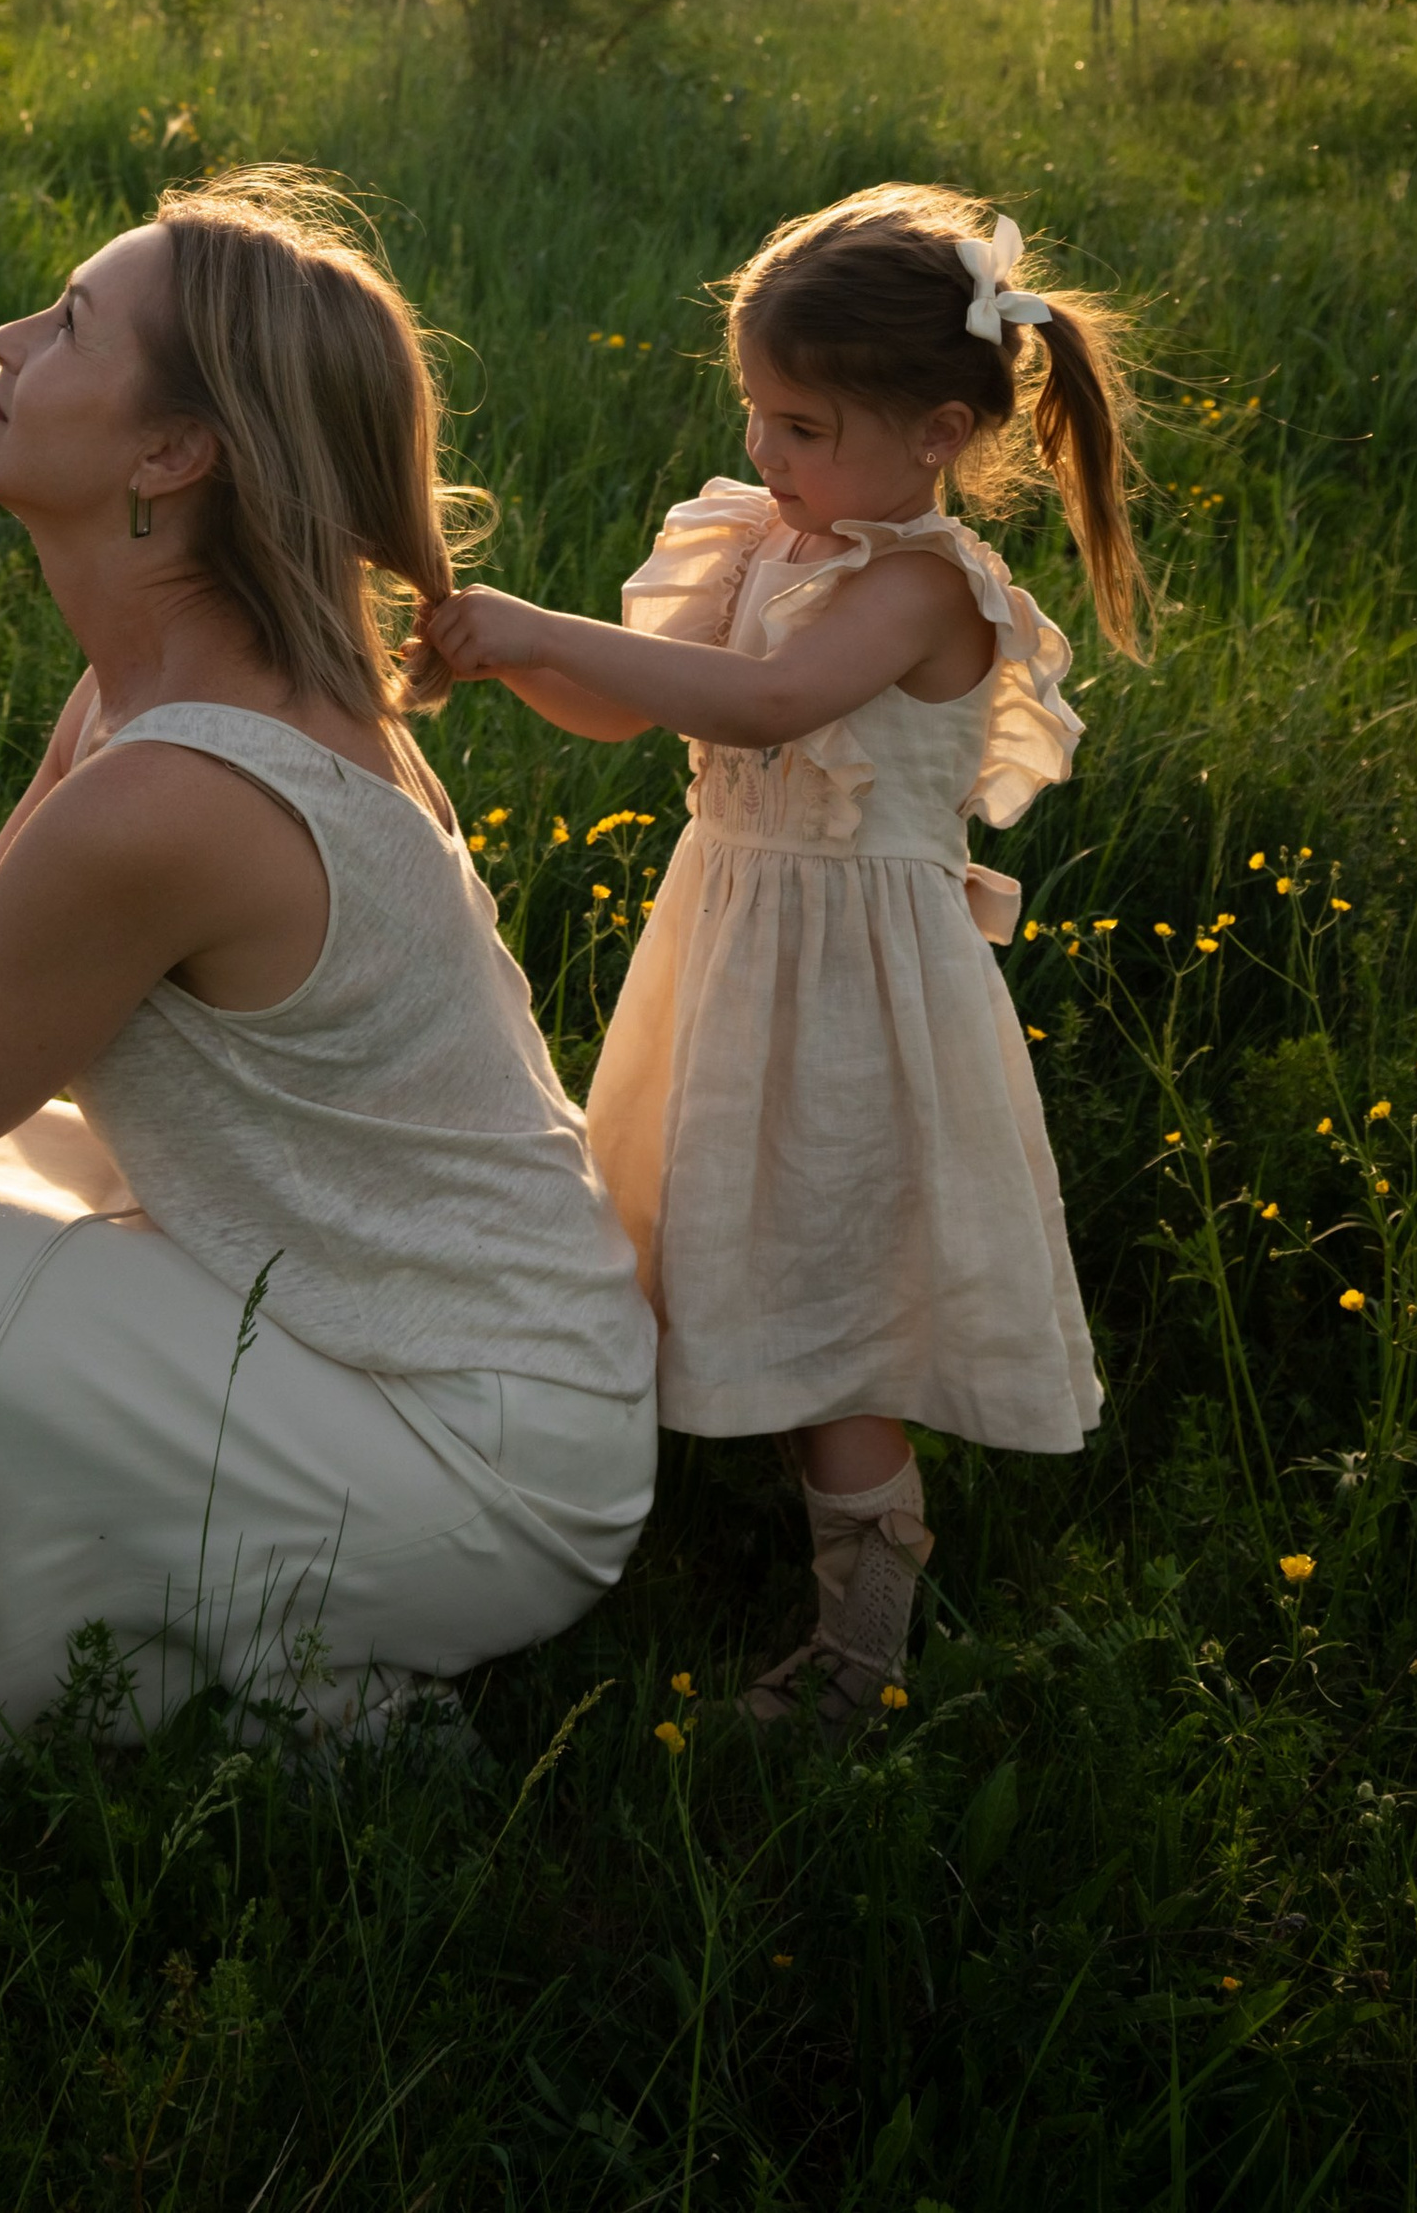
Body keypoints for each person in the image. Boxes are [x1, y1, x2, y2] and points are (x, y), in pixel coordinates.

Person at [0, 166, 654, 1747]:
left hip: (481, 1463)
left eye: (69, 324)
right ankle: (220, 1653)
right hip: (399, 1344)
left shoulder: (180, 789)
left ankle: (300, 1693)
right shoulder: (151, 699)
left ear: (171, 454)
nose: (7, 337)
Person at [418, 185, 1143, 1735]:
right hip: (733, 943)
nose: (767, 454)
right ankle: (640, 1503)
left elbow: (761, 706)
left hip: (856, 994)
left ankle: (862, 1634)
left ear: (939, 432)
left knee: (839, 1291)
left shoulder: (919, 587)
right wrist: (501, 656)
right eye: (757, 414)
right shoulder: (764, 534)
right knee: (704, 1227)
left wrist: (537, 626)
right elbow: (634, 707)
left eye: (801, 426)